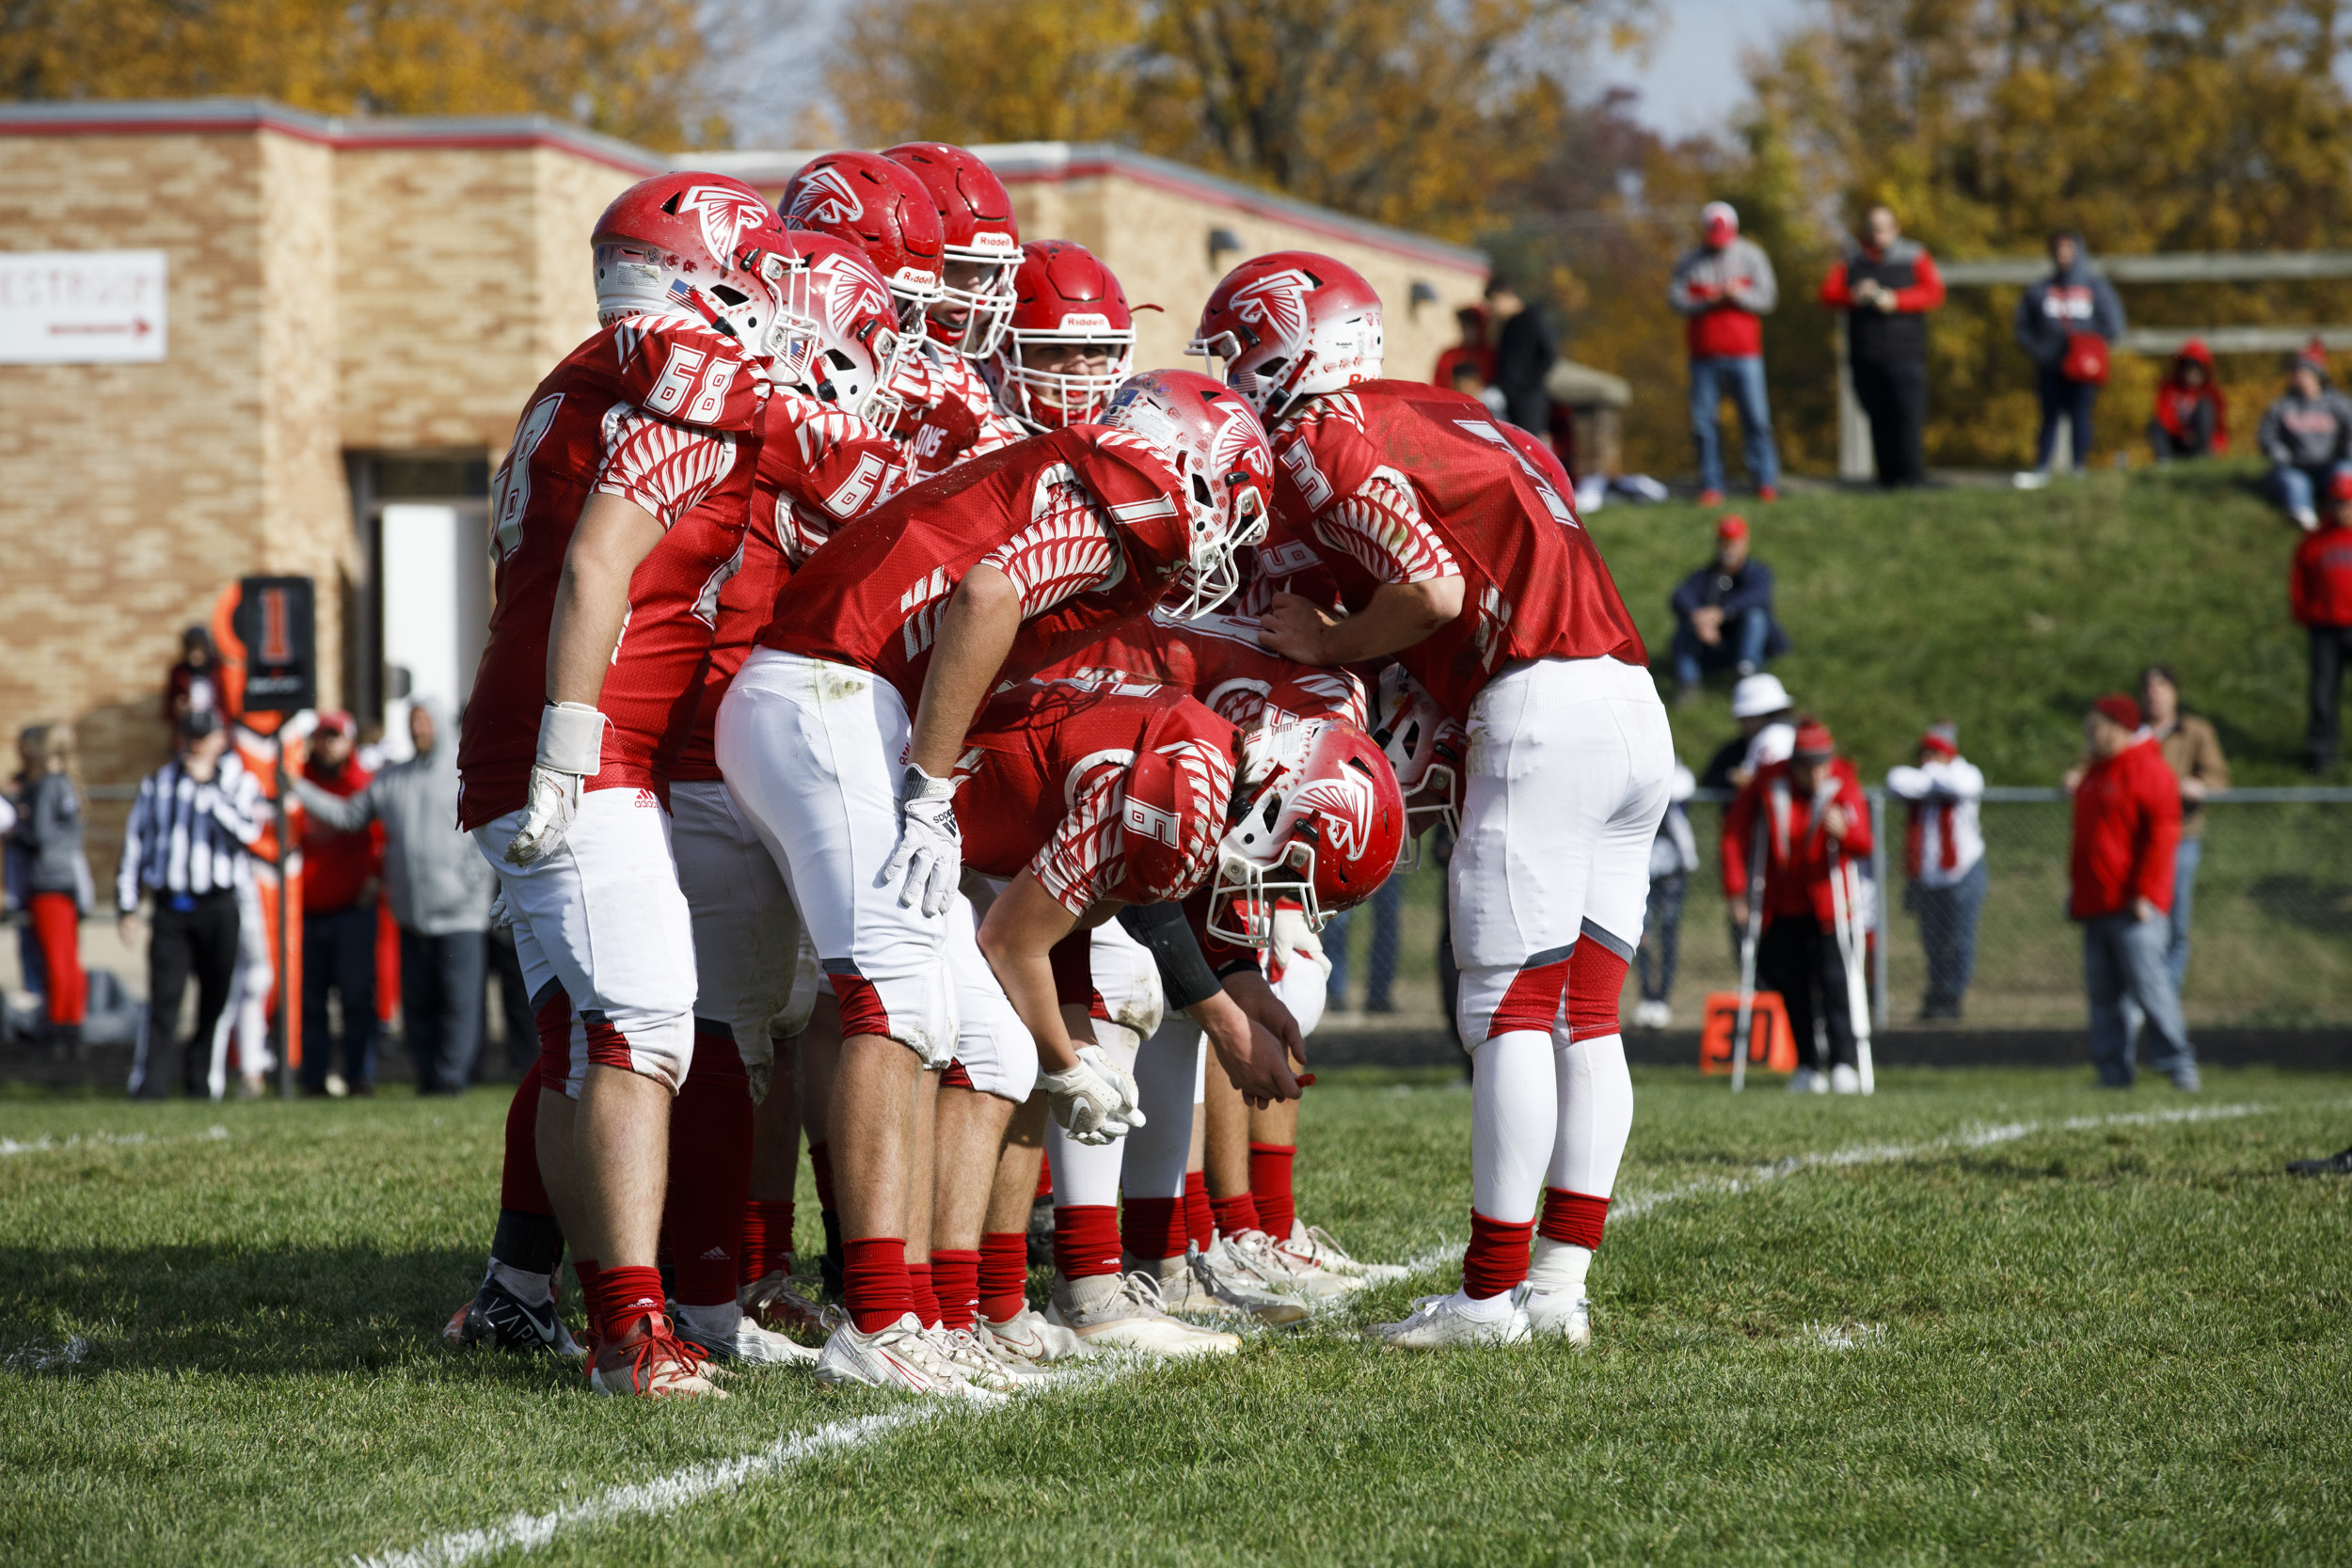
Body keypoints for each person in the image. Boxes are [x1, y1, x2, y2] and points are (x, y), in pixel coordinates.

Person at [718, 366, 1294, 1397]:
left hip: (849, 701)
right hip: (827, 686)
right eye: (1230, 505)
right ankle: (881, 1316)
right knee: (888, 998)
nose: (1222, 537)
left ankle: (939, 1308)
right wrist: (933, 790)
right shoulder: (1105, 490)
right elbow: (987, 593)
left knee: (981, 1034)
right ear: (1188, 466)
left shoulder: (1068, 480)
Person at [1195, 248, 1673, 1352]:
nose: (1233, 371)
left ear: (1291, 344)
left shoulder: (1323, 433)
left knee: (1503, 1011)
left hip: (1538, 702)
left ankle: (1487, 1295)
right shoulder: (1446, 410)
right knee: (1584, 1017)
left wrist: (1330, 640)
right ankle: (1557, 1285)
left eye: (1239, 347)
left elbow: (1432, 585)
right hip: (1629, 703)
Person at [453, 170, 796, 1401]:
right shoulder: (681, 372)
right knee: (643, 1023)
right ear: (703, 274)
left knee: (574, 1036)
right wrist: (566, 749)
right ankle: (630, 1329)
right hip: (573, 745)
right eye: (754, 269)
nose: (771, 298)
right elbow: (600, 565)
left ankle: (526, 1295)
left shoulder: (586, 370)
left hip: (568, 735)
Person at [296, 698, 495, 1094]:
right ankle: (428, 1078)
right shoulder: (392, 781)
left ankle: (452, 1080)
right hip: (412, 915)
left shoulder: (465, 777)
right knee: (417, 1004)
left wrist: (472, 889)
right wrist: (297, 787)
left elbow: (488, 839)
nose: (418, 730)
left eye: (424, 722)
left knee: (459, 1004)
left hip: (461, 916)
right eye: (413, 723)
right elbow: (349, 816)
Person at [1721, 717, 1874, 1093]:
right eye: (1811, 764)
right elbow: (1734, 836)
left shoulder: (1843, 781)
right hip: (1782, 904)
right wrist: (1737, 892)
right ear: (1797, 764)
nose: (1819, 771)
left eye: (1823, 761)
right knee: (1791, 985)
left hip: (1829, 905)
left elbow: (1864, 842)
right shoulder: (1770, 780)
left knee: (1836, 982)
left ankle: (1843, 1063)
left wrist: (1846, 832)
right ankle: (1807, 1065)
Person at [119, 709, 264, 1099]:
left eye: (205, 736)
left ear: (221, 740)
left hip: (218, 906)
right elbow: (136, 845)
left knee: (215, 1000)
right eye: (191, 736)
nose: (196, 744)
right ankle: (150, 1087)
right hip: (171, 909)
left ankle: (202, 1084)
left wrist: (209, 789)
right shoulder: (158, 784)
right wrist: (127, 905)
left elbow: (248, 833)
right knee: (164, 999)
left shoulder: (239, 782)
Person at [2066, 694, 2197, 1091]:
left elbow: (2162, 837)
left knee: (2150, 988)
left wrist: (2146, 894)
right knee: (2103, 996)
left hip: (2133, 906)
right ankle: (2113, 1071)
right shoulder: (2095, 772)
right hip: (2097, 904)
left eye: (2097, 728)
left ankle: (2178, 1065)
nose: (2090, 736)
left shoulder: (2147, 770)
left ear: (2120, 727)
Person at [1819, 203, 1946, 487]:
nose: (1878, 235)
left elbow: (1934, 292)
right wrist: (1854, 296)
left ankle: (1912, 479)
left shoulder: (1914, 255)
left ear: (1895, 229)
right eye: (1873, 229)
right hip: (1866, 354)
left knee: (1907, 417)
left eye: (1883, 228)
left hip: (1906, 352)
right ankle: (1886, 480)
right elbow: (1827, 294)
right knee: (1877, 417)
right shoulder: (1852, 260)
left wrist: (1896, 301)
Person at [1668, 199, 1781, 504]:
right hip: (1703, 355)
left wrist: (1738, 295)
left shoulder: (1752, 256)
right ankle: (1711, 484)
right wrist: (1710, 299)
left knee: (1756, 418)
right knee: (1704, 422)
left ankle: (1765, 481)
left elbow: (1768, 298)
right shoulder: (1690, 261)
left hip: (1745, 353)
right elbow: (1676, 300)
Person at [295, 712, 380, 1095]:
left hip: (352, 910)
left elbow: (380, 838)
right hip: (308, 911)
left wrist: (374, 878)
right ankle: (313, 1077)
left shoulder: (362, 784)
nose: (327, 744)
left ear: (348, 741)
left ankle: (358, 1075)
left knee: (357, 997)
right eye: (321, 737)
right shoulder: (299, 780)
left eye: (334, 737)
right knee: (310, 1001)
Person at [2137, 666, 2227, 1013]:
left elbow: (2219, 778)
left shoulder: (2196, 731)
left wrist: (2200, 786)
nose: (2154, 692)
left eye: (2162, 685)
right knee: (2140, 921)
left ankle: (2165, 1000)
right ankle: (2144, 994)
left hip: (2179, 839)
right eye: (2148, 686)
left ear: (2174, 692)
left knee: (2175, 922)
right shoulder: (2132, 732)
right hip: (2137, 843)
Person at [1885, 722, 1985, 1020]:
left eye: (1936, 752)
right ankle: (1936, 994)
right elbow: (1897, 781)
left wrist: (1933, 775)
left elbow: (1961, 786)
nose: (1928, 758)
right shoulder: (1921, 777)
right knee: (1932, 942)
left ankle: (1952, 996)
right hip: (1927, 876)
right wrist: (1933, 776)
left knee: (1958, 939)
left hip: (1961, 872)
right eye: (1925, 752)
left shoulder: (1966, 773)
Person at [2013, 230, 2125, 487]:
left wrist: (2087, 343)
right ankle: (2041, 468)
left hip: (2083, 367)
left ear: (2078, 250)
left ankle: (2078, 468)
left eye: (2067, 248)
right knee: (2049, 416)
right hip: (2050, 364)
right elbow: (2023, 326)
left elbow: (2115, 325)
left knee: (2080, 415)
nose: (2062, 254)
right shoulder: (2040, 289)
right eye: (2057, 248)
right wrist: (2037, 349)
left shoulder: (2095, 287)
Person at [12, 725, 89, 1050]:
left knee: (57, 959)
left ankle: (58, 1027)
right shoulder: (69, 784)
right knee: (69, 957)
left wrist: (18, 824)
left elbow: (40, 835)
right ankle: (71, 1023)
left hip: (48, 881)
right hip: (68, 878)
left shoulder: (47, 786)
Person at [1668, 515, 1788, 698]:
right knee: (1686, 624)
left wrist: (1721, 612)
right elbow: (1680, 596)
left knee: (1755, 616)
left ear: (1745, 543)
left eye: (1734, 542)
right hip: (1713, 644)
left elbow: (1757, 597)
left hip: (1747, 644)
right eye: (1724, 542)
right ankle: (1688, 683)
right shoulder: (1706, 575)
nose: (1729, 548)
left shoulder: (1758, 572)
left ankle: (1746, 674)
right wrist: (1700, 619)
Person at [2291, 470, 2352, 771]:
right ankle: (2320, 752)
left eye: (2349, 503)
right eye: (2339, 502)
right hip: (2325, 628)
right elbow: (2299, 581)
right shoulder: (2315, 541)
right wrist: (2304, 613)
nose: (2344, 509)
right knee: (2323, 692)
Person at [1631, 762, 1697, 1029]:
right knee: (1642, 936)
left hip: (1672, 872)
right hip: (1644, 870)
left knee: (1668, 934)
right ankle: (1647, 996)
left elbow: (1682, 790)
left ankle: (1663, 999)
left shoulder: (1678, 776)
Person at [2257, 345, 2352, 531]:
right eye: (2295, 373)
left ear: (2317, 375)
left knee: (2346, 472)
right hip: (2294, 468)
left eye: (2303, 372)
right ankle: (2307, 524)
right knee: (2296, 483)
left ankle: (2342, 521)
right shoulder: (2282, 405)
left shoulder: (2338, 404)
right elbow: (2266, 435)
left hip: (2329, 466)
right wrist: (2277, 451)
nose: (2298, 377)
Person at [1484, 276, 1555, 437]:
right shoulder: (1507, 325)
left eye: (1494, 302)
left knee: (1528, 446)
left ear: (1507, 295)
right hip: (1507, 399)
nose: (1493, 309)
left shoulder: (1533, 317)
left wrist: (1527, 384)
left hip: (1528, 401)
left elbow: (1548, 355)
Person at [2148, 340, 2227, 463]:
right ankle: (2164, 462)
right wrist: (2182, 433)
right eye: (2188, 370)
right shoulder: (2169, 389)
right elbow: (2164, 417)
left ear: (2204, 371)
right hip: (2176, 439)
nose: (2191, 375)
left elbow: (2220, 424)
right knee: (2155, 425)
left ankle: (2201, 457)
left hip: (2201, 441)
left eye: (2196, 370)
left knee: (2205, 407)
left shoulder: (2211, 392)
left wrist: (2216, 444)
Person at [160, 626, 219, 726]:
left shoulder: (218, 671)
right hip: (187, 731)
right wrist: (178, 707)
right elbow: (167, 710)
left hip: (216, 731)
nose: (195, 654)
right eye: (191, 648)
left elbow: (228, 707)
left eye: (199, 648)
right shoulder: (179, 673)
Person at [1432, 303, 1493, 390]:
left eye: (1471, 326)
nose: (1466, 331)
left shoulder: (1491, 356)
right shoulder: (1449, 355)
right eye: (1464, 326)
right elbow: (1436, 386)